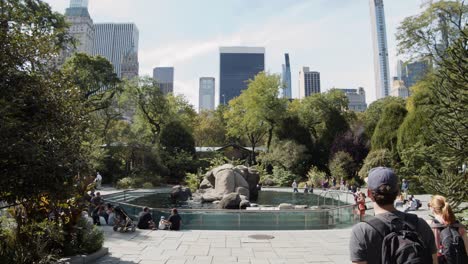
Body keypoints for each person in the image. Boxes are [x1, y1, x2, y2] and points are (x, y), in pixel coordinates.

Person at [349, 167, 437, 264]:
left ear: (369, 193)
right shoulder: (420, 224)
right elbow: (434, 261)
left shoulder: (362, 231)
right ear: (398, 193)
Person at [428, 195, 468, 263]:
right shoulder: (458, 225)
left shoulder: (432, 226)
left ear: (432, 208)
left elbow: (433, 254)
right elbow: (467, 249)